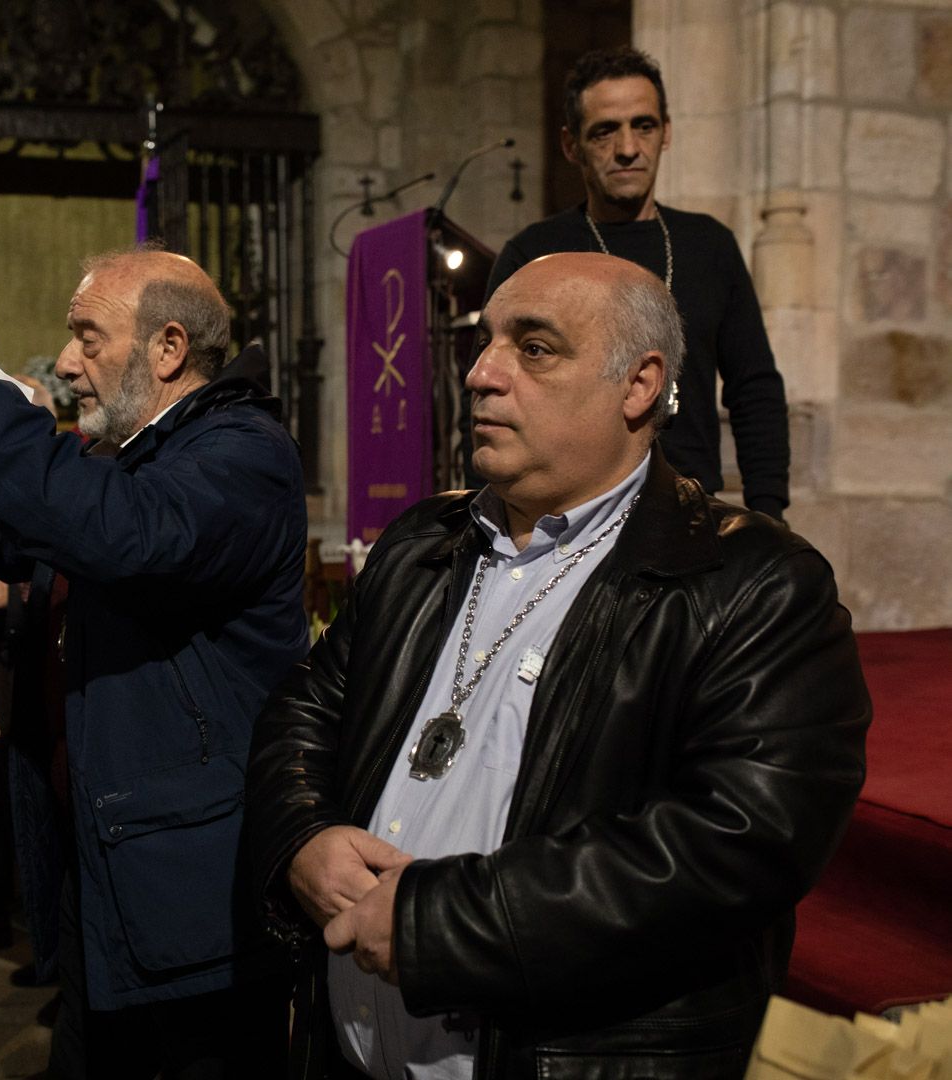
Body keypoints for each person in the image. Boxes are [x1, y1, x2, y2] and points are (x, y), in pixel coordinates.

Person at [246, 252, 871, 1079]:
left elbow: (738, 845)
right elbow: (305, 708)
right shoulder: (423, 544)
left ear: (639, 385)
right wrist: (303, 834)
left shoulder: (752, 584)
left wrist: (442, 923)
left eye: (534, 348)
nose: (481, 373)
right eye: (486, 342)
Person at [0, 247, 309, 1079]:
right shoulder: (130, 457)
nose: (68, 362)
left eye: (88, 337)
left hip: (194, 884)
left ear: (168, 348)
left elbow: (122, 531)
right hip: (114, 856)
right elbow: (3, 529)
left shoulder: (242, 453)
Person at [484, 45, 791, 519]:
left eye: (643, 126)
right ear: (571, 145)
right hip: (566, 515)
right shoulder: (536, 255)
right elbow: (495, 389)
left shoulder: (709, 245)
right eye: (605, 131)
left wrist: (770, 517)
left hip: (690, 508)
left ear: (666, 132)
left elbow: (754, 389)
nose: (628, 149)